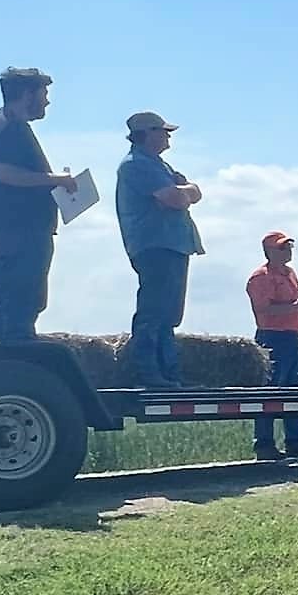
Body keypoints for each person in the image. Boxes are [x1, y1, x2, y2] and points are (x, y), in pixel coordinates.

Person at [114, 111, 204, 390]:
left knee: (168, 314)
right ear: (146, 134)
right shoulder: (136, 165)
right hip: (155, 245)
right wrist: (183, 191)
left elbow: (192, 194)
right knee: (154, 312)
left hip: (171, 245)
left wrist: (184, 192)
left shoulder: (157, 165)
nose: (167, 136)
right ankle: (150, 374)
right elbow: (178, 197)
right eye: (162, 131)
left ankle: (168, 375)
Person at [0, 67, 77, 342]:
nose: (47, 100)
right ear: (27, 94)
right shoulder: (6, 127)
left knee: (19, 300)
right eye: (43, 93)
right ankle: (13, 363)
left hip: (17, 230)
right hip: (17, 230)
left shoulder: (5, 125)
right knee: (18, 300)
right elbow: (2, 172)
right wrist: (55, 180)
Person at [244, 231, 298, 461]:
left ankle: (296, 442)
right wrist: (293, 307)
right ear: (269, 251)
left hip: (294, 335)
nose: (288, 251)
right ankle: (264, 444)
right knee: (270, 391)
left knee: (296, 390)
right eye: (282, 248)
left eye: (289, 247)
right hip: (272, 338)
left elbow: (296, 297)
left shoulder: (289, 273)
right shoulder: (260, 277)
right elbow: (263, 309)